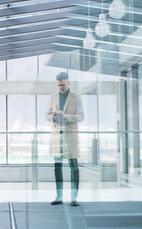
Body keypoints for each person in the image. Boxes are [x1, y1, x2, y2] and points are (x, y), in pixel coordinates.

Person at [45, 72, 84, 207]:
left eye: (62, 84)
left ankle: (74, 197)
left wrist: (65, 116)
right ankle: (59, 196)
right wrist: (53, 117)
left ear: (68, 82)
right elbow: (47, 114)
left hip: (71, 135)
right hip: (57, 136)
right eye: (59, 85)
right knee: (58, 167)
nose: (60, 87)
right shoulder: (53, 97)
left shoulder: (76, 97)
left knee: (74, 167)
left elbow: (81, 116)